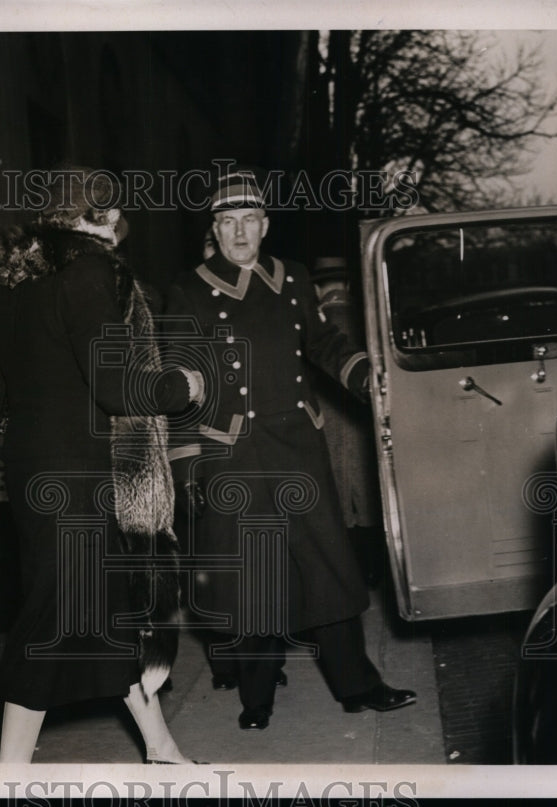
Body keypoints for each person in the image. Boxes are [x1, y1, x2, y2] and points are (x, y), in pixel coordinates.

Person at [163, 169, 415, 730]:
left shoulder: (292, 279)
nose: (239, 233)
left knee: (328, 569)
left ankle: (357, 686)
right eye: (227, 223)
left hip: (298, 445)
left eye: (249, 220)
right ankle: (256, 698)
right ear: (216, 228)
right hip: (232, 450)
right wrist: (189, 468)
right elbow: (175, 379)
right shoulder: (189, 288)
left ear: (265, 225)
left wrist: (361, 375)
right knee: (252, 579)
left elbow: (323, 342)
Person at [0, 167, 205, 764]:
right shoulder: (91, 269)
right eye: (113, 220)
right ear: (95, 219)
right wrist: (184, 384)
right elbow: (118, 386)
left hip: (29, 472)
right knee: (50, 620)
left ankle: (160, 747)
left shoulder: (3, 282)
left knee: (103, 611)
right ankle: (10, 775)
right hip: (78, 476)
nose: (116, 236)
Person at [310, 257, 385, 586]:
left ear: (315, 289)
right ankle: (377, 574)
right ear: (351, 287)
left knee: (341, 502)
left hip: (327, 426)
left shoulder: (314, 327)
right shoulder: (369, 322)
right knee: (369, 497)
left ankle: (351, 577)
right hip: (363, 425)